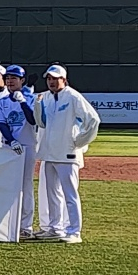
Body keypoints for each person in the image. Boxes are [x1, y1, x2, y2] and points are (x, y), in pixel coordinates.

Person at [33, 64, 99, 243]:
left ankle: (74, 232)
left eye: (55, 78)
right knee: (52, 193)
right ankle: (55, 228)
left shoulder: (72, 96)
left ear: (64, 79)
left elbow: (93, 120)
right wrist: (38, 105)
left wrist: (78, 142)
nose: (51, 82)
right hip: (49, 153)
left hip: (67, 155)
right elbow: (41, 123)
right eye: (49, 78)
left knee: (70, 194)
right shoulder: (45, 97)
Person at [0, 65, 40, 238]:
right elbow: (1, 122)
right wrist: (11, 140)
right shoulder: (2, 101)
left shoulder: (31, 98)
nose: (10, 81)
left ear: (22, 80)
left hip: (27, 146)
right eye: (8, 78)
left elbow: (32, 119)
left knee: (25, 186)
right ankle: (6, 223)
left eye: (14, 78)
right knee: (7, 185)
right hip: (9, 146)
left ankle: (25, 226)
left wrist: (22, 102)